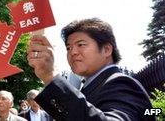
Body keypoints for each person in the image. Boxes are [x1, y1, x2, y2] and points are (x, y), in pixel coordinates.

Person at [27, 18, 155, 121]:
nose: (73, 52)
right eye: (68, 48)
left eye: (81, 44)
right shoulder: (89, 87)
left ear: (106, 49)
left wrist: (50, 76)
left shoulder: (121, 84)